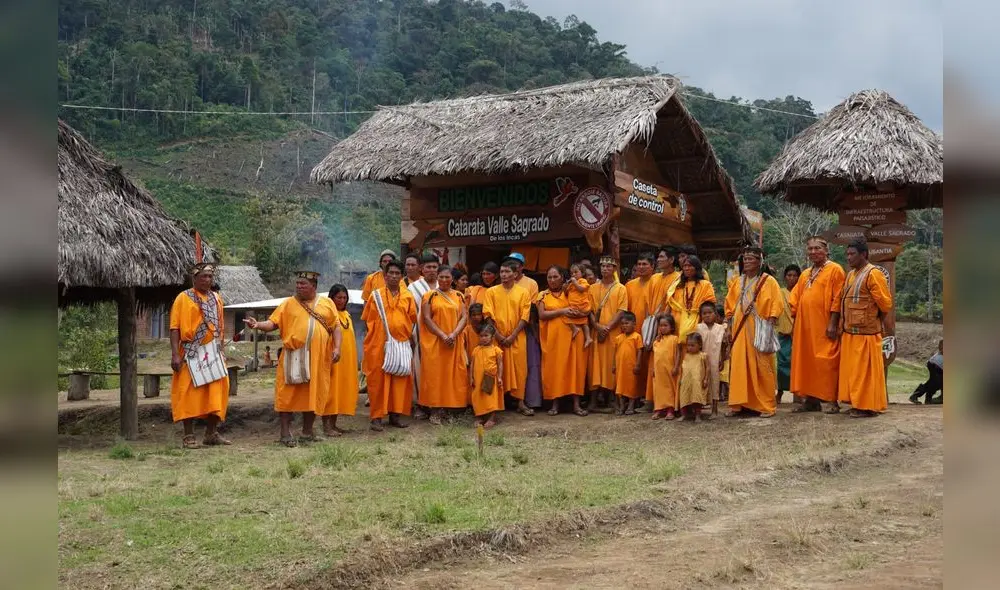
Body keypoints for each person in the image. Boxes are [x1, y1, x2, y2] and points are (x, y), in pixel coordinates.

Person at [245, 271, 337, 446]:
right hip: (293, 356)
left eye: (303, 284)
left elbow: (336, 326)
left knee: (313, 393)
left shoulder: (327, 303)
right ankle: (285, 434)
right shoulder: (287, 304)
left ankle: (307, 432)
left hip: (317, 358)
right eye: (298, 283)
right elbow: (272, 323)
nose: (299, 287)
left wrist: (337, 347)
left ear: (314, 286)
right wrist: (258, 324)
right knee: (287, 394)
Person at [169, 263, 231, 449]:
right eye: (203, 276)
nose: (207, 280)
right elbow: (175, 328)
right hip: (191, 351)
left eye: (210, 277)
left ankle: (211, 433)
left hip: (213, 352)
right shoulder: (183, 298)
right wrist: (174, 354)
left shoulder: (217, 299)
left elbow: (220, 327)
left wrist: (222, 351)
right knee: (188, 393)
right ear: (194, 278)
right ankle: (188, 436)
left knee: (218, 391)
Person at [789, 237, 847, 414]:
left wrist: (833, 322)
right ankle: (811, 400)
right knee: (807, 361)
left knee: (826, 360)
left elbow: (838, 297)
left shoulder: (835, 269)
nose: (813, 252)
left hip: (824, 323)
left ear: (826, 250)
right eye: (810, 249)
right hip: (804, 326)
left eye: (817, 248)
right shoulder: (806, 273)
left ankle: (831, 400)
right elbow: (796, 299)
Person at [838, 239, 895, 418]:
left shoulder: (873, 273)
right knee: (854, 372)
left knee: (865, 373)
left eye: (852, 254)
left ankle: (867, 406)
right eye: (847, 254)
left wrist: (878, 323)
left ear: (864, 255)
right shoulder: (851, 274)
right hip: (850, 332)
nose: (848, 258)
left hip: (867, 332)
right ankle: (857, 403)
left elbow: (885, 304)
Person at [724, 247, 783, 418]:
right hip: (739, 329)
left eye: (751, 259)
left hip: (759, 328)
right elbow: (730, 306)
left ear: (759, 262)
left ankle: (765, 405)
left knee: (762, 366)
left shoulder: (768, 281)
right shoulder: (737, 281)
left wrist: (770, 325)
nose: (747, 262)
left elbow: (776, 304)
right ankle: (739, 404)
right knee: (738, 366)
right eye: (746, 259)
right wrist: (728, 326)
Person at [361, 260, 418, 431]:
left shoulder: (408, 296)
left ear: (402, 277)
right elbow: (367, 321)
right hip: (378, 345)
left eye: (397, 273)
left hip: (400, 344)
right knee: (377, 381)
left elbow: (412, 319)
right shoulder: (375, 295)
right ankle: (376, 417)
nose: (393, 276)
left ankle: (395, 415)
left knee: (399, 379)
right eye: (390, 273)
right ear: (385, 276)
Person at [419, 266, 470, 425]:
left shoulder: (459, 296)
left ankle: (450, 409)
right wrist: (442, 335)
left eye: (447, 277)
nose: (444, 280)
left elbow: (463, 317)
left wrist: (453, 334)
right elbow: (427, 319)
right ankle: (435, 410)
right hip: (435, 342)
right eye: (441, 277)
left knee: (453, 376)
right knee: (435, 376)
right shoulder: (429, 296)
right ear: (437, 278)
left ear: (452, 280)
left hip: (454, 342)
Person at [536, 266, 590, 416]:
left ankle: (576, 405)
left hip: (574, 337)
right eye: (549, 277)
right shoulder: (543, 295)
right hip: (553, 339)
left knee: (575, 369)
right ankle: (555, 403)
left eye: (555, 277)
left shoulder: (570, 292)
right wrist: (562, 311)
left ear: (562, 277)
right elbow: (542, 315)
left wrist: (579, 312)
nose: (552, 280)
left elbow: (584, 308)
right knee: (555, 369)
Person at [483, 259, 533, 416]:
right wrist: (497, 334)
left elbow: (525, 316)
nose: (504, 275)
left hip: (517, 337)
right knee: (495, 369)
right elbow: (488, 314)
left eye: (507, 272)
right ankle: (493, 405)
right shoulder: (491, 292)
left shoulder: (523, 292)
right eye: (502, 272)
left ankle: (520, 402)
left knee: (520, 369)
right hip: (496, 337)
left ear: (516, 273)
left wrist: (512, 336)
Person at [587, 255, 629, 412]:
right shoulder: (592, 288)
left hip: (613, 332)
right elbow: (589, 310)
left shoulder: (621, 288)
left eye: (608, 266)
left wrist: (607, 327)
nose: (605, 269)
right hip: (595, 331)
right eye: (603, 266)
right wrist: (597, 326)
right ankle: (593, 400)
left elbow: (621, 310)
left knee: (611, 365)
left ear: (614, 269)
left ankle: (612, 399)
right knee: (594, 365)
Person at [319, 284, 359, 437]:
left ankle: (334, 425)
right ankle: (326, 427)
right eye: (338, 297)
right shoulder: (327, 315)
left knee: (340, 391)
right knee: (330, 392)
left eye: (344, 298)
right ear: (331, 298)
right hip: (333, 359)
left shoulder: (346, 315)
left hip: (346, 361)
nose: (342, 300)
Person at [408, 253, 440, 419]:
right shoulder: (413, 288)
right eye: (428, 267)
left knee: (440, 371)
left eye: (434, 267)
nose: (432, 270)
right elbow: (409, 314)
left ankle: (439, 404)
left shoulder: (445, 284)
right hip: (420, 336)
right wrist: (410, 337)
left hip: (444, 337)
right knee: (421, 370)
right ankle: (420, 405)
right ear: (421, 269)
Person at [625, 252, 657, 400]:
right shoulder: (629, 285)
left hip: (651, 330)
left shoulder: (657, 282)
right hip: (633, 331)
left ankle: (649, 396)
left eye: (645, 264)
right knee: (634, 363)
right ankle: (634, 395)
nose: (641, 267)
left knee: (649, 363)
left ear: (652, 266)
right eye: (639, 264)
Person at [668, 254, 716, 340]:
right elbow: (671, 305)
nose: (686, 268)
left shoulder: (705, 284)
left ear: (696, 268)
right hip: (678, 324)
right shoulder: (678, 286)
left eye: (689, 266)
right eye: (685, 266)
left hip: (698, 324)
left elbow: (709, 305)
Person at [696, 301, 728, 416]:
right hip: (701, 361)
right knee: (700, 383)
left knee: (715, 383)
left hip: (715, 360)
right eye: (704, 313)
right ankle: (698, 409)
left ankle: (715, 409)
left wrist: (723, 359)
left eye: (710, 312)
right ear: (701, 315)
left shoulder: (720, 328)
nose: (707, 315)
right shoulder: (698, 328)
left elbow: (724, 345)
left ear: (715, 314)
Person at [469, 324, 504, 428]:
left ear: (492, 337)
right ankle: (480, 417)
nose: (483, 338)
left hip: (491, 378)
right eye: (481, 336)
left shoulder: (496, 350)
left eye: (486, 335)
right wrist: (471, 377)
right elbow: (472, 364)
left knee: (491, 398)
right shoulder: (476, 350)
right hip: (478, 379)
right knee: (478, 397)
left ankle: (491, 418)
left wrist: (499, 377)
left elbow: (500, 364)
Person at [776, 264, 800, 404]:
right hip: (784, 333)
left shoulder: (801, 291)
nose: (792, 278)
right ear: (785, 277)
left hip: (799, 334)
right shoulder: (779, 292)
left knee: (797, 365)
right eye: (789, 275)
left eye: (794, 275)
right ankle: (780, 392)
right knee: (782, 364)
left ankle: (798, 393)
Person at [650, 314, 681, 420]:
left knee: (669, 389)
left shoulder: (675, 339)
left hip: (670, 369)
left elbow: (678, 354)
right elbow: (655, 357)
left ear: (671, 327)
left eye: (665, 325)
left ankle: (670, 410)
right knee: (658, 390)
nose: (662, 328)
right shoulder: (656, 341)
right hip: (659, 370)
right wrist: (653, 368)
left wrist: (676, 366)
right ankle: (658, 409)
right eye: (661, 326)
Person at [612, 311, 643, 415]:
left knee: (631, 386)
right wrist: (613, 365)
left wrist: (638, 364)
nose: (624, 326)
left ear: (634, 324)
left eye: (627, 323)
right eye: (622, 324)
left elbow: (640, 351)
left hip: (631, 367)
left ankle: (630, 406)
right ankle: (621, 407)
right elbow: (615, 352)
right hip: (620, 368)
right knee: (619, 386)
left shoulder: (637, 336)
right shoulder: (618, 338)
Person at [678, 332, 710, 422]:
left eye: (693, 345)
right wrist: (680, 379)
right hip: (686, 381)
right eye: (688, 345)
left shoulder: (703, 355)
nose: (690, 348)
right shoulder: (686, 355)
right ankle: (684, 414)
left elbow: (708, 368)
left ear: (699, 345)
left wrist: (706, 379)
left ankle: (698, 415)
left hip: (697, 381)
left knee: (697, 398)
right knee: (684, 397)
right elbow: (682, 368)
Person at [565, 263, 593, 347]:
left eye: (576, 272)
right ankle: (576, 330)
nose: (573, 274)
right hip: (574, 305)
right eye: (571, 273)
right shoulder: (571, 283)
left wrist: (575, 282)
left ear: (582, 273)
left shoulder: (582, 281)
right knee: (567, 317)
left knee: (584, 322)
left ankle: (588, 337)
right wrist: (566, 286)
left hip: (581, 305)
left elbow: (581, 289)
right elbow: (566, 292)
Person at [911, 340, 943, 404]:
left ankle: (930, 399)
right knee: (935, 382)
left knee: (939, 382)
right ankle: (915, 395)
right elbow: (942, 348)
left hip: (940, 365)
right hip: (934, 364)